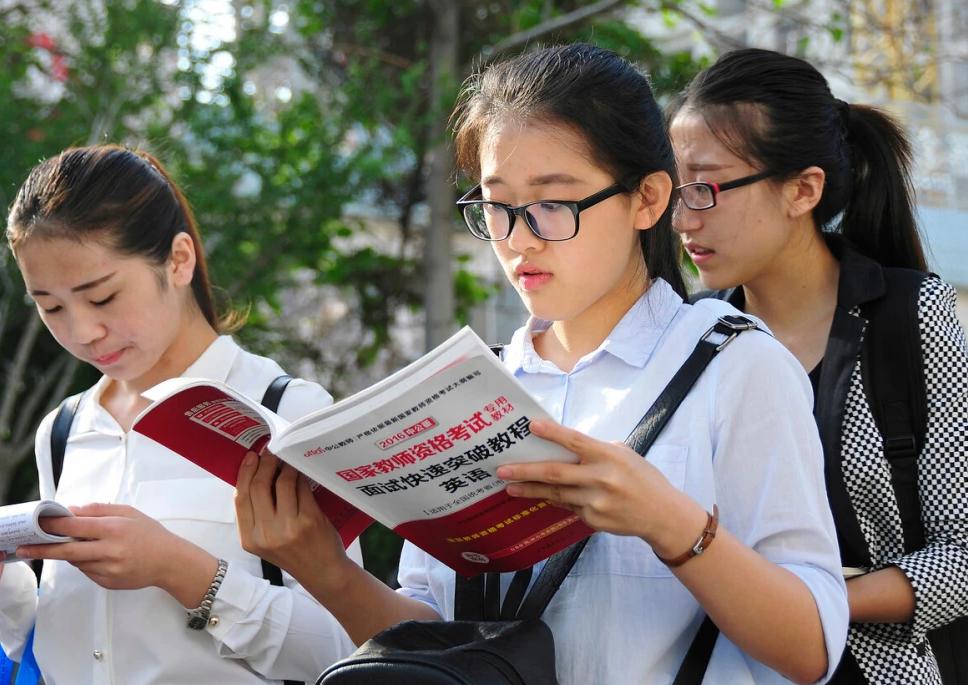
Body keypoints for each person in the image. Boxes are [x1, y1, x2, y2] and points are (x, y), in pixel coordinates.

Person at [235, 44, 849, 685]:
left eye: (554, 204)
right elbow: (440, 639)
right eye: (496, 206)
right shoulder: (473, 388)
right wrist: (321, 566)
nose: (519, 238)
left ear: (648, 200)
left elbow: (809, 648)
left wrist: (673, 525)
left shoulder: (734, 364)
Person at [0, 144, 362, 684]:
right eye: (50, 307)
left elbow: (349, 644)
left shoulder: (284, 411)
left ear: (179, 260)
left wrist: (182, 572)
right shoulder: (65, 428)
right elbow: (57, 647)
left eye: (101, 297)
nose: (81, 332)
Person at [669, 47, 968, 684]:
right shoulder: (692, 338)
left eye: (708, 187)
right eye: (675, 188)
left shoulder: (908, 316)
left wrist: (806, 608)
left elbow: (962, 554)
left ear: (802, 189)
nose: (683, 218)